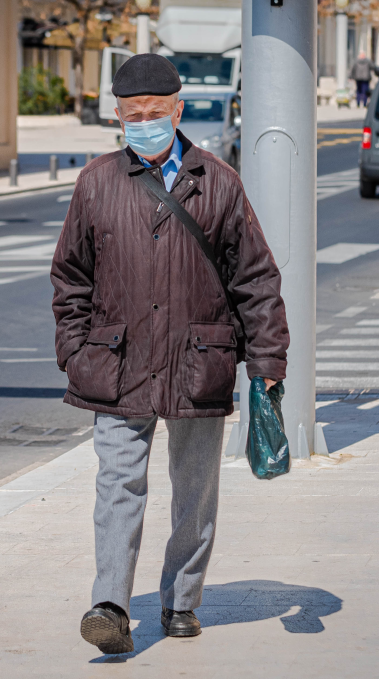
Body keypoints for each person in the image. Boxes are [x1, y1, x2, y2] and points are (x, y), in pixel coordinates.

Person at [50, 54, 289, 655]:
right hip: (116, 365)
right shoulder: (97, 182)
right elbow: (70, 278)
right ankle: (109, 604)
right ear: (119, 117)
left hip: (197, 362)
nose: (145, 123)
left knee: (194, 490)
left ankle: (181, 599)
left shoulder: (219, 182)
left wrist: (266, 368)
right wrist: (76, 353)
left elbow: (256, 281)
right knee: (118, 484)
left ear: (178, 111)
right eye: (134, 116)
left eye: (156, 114)